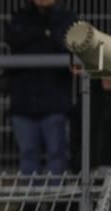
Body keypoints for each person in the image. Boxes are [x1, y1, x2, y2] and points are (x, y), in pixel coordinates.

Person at [5, 0, 78, 175]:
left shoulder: (66, 18)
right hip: (24, 102)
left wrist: (41, 36)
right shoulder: (20, 17)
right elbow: (15, 40)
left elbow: (65, 45)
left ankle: (57, 201)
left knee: (57, 154)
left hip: (55, 100)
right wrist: (45, 33)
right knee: (28, 154)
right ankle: (31, 202)